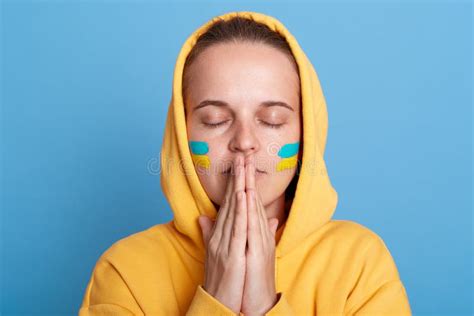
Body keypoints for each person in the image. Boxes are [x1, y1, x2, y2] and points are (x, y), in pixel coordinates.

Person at [79, 11, 412, 315]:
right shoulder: (125, 270)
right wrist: (217, 298)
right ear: (181, 133)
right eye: (214, 119)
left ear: (306, 134)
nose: (245, 141)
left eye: (271, 119)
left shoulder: (359, 264)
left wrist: (265, 305)